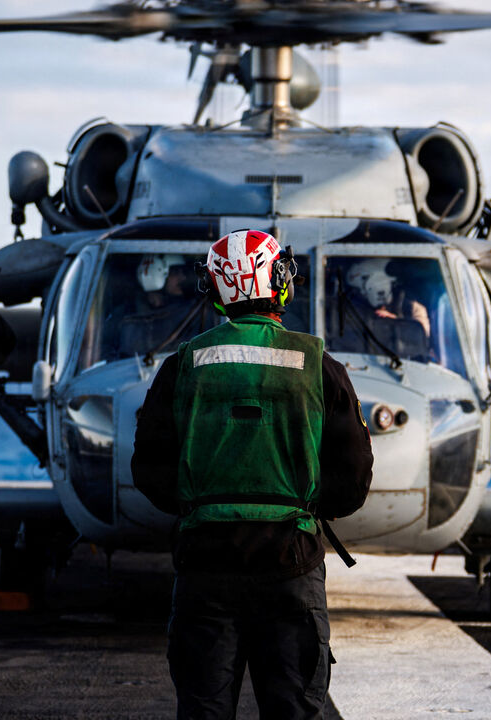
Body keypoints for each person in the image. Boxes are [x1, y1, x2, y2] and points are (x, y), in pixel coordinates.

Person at [132, 229, 373, 719]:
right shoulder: (316, 363)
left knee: (203, 709)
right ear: (280, 283)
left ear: (218, 290)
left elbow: (149, 470)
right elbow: (352, 483)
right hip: (290, 561)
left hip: (204, 563)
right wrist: (298, 504)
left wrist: (203, 504)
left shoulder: (183, 365)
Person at [344, 257, 430, 337]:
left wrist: (395, 322)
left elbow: (422, 336)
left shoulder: (412, 308)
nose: (360, 294)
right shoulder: (350, 311)